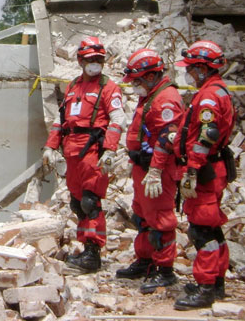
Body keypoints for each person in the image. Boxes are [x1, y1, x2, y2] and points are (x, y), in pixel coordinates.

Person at [43, 36, 126, 273]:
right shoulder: (73, 86)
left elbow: (118, 119)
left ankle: (93, 253)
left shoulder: (109, 87)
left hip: (93, 151)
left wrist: (110, 149)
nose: (95, 62)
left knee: (91, 202)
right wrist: (50, 146)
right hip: (72, 150)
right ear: (80, 60)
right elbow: (62, 121)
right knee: (78, 203)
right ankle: (85, 247)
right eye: (90, 59)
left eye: (99, 58)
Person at [172, 40, 235, 310]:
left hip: (204, 171)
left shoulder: (209, 96)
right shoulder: (214, 90)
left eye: (191, 69)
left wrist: (193, 170)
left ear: (201, 69)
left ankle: (206, 287)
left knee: (201, 230)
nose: (188, 73)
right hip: (213, 168)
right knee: (212, 227)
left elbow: (206, 136)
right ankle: (217, 282)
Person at [115, 49, 183, 294]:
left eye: (138, 80)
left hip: (159, 171)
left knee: (160, 219)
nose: (135, 86)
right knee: (142, 216)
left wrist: (155, 170)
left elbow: (167, 138)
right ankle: (145, 261)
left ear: (152, 76)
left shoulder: (166, 99)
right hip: (143, 167)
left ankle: (165, 270)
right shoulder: (152, 96)